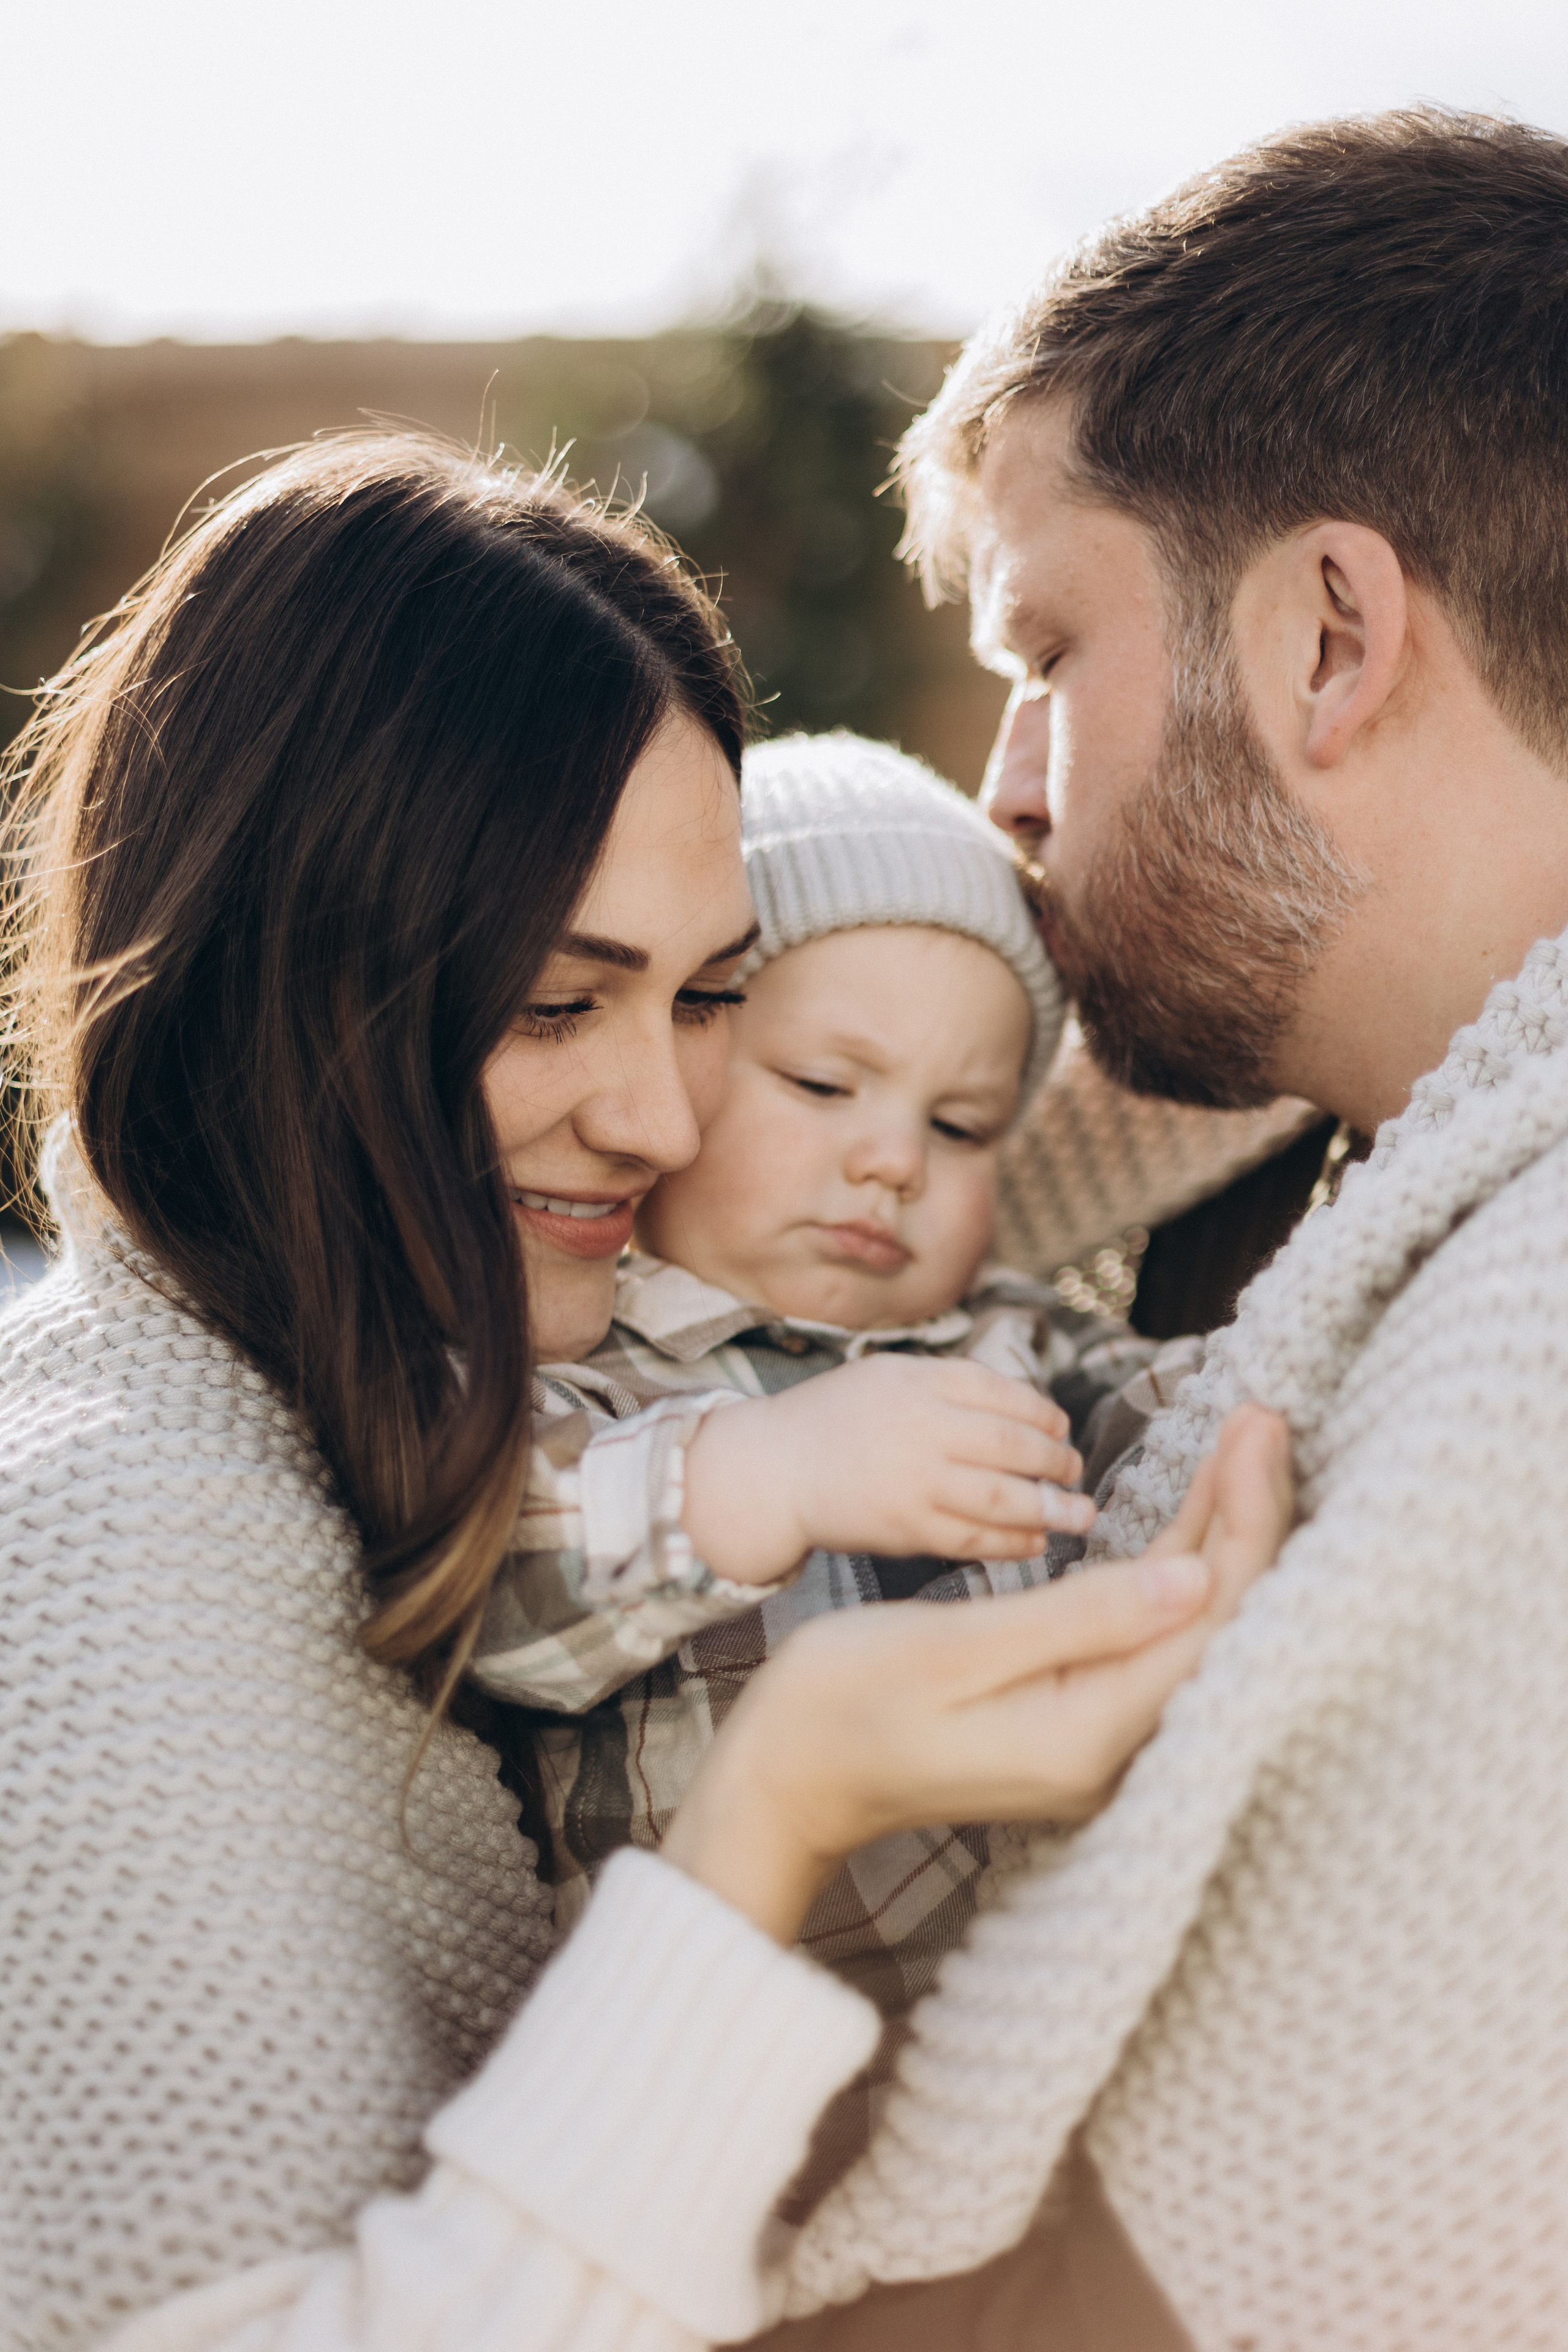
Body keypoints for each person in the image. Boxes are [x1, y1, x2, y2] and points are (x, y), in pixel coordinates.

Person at [0, 431, 1285, 2352]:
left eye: (708, 999)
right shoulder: (106, 1550)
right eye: (555, 1002)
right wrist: (774, 1811)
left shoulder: (451, 1311)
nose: (669, 1117)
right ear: (289, 970)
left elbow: (983, 1137)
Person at [756, 104, 1568, 2346]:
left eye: (1048, 651)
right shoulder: (1408, 1180)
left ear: (1329, 638)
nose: (1007, 782)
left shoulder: (1532, 1341)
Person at [470, 733, 1174, 2007]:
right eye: (824, 1084)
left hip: (1038, 1997)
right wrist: (766, 1473)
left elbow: (1188, 1423)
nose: (893, 1160)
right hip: (705, 2040)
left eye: (959, 1127)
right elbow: (496, 1603)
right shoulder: (581, 1375)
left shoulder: (1012, 1342)